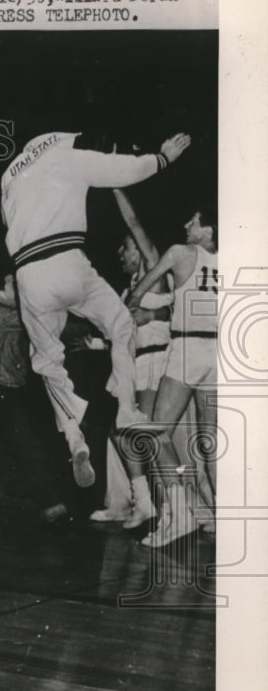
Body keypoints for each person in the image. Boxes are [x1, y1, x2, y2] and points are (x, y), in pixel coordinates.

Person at [0, 131, 192, 489]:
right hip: (68, 260)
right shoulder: (67, 156)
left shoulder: (10, 176)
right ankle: (124, 407)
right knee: (120, 324)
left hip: (29, 274)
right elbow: (121, 170)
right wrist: (162, 158)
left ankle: (74, 439)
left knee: (46, 362)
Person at [128, 208, 218, 547]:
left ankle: (180, 513)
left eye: (193, 221)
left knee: (155, 431)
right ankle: (220, 516)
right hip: (218, 355)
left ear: (209, 229)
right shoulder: (229, 260)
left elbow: (139, 292)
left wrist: (131, 308)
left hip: (187, 348)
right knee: (209, 446)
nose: (186, 224)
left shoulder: (181, 253)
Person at [92, 188, 172, 528]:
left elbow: (134, 223)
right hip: (134, 366)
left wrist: (115, 184)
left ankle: (162, 507)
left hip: (155, 363)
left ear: (140, 252)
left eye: (126, 247)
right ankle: (127, 503)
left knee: (144, 434)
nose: (120, 253)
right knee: (120, 432)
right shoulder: (129, 292)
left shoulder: (154, 276)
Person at [0, 273, 70, 524]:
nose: (22, 293)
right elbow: (37, 320)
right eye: (15, 288)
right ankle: (51, 502)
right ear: (0, 295)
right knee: (27, 446)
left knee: (23, 444)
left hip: (11, 390)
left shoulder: (12, 315)